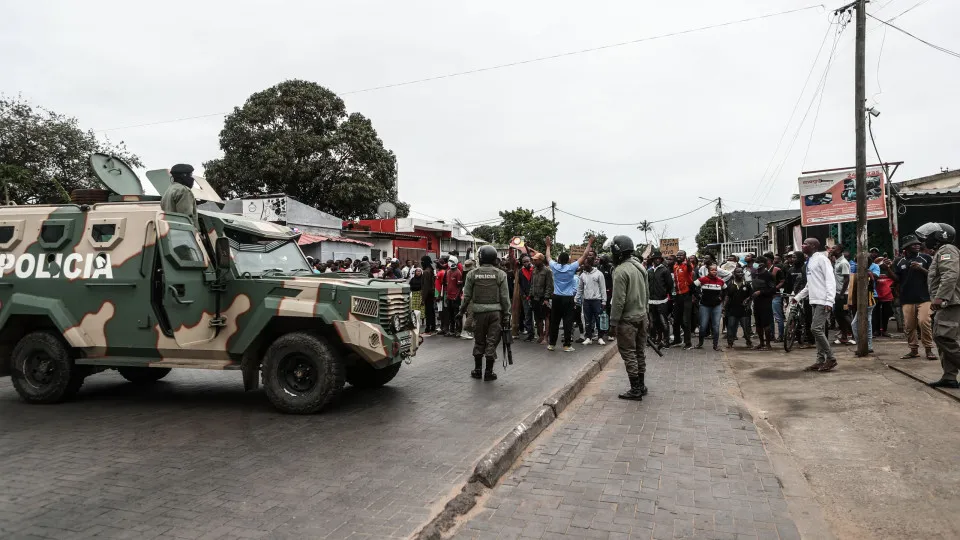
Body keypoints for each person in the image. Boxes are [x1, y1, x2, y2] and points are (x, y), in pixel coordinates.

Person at [916, 223, 960, 388]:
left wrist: (940, 298)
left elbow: (950, 274)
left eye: (928, 237)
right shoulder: (942, 252)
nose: (924, 241)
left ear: (939, 237)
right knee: (946, 338)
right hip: (947, 303)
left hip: (950, 302)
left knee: (943, 337)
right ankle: (949, 377)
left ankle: (950, 375)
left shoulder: (947, 249)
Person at [459, 245, 511, 381]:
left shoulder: (472, 274)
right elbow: (505, 298)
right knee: (492, 342)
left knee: (479, 341)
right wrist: (507, 314)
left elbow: (467, 296)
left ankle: (477, 371)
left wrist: (461, 311)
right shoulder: (500, 274)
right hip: (495, 314)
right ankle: (489, 372)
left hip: (478, 313)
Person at [607, 235, 649, 401]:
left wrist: (613, 323)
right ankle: (642, 386)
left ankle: (635, 389)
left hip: (627, 320)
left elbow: (618, 301)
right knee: (640, 352)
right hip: (642, 316)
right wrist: (647, 313)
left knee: (629, 354)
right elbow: (647, 294)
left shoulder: (620, 271)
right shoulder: (640, 267)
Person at [793, 238, 838, 372]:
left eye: (806, 244)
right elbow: (810, 284)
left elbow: (830, 280)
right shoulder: (810, 261)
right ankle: (820, 361)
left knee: (815, 329)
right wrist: (798, 297)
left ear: (813, 246)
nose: (803, 245)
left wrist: (830, 301)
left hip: (823, 301)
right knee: (818, 331)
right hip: (814, 300)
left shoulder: (822, 259)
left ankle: (831, 358)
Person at [544, 236, 594, 352]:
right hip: (568, 298)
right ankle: (567, 345)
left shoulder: (554, 267)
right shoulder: (572, 267)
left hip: (556, 297)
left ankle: (551, 344)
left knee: (554, 322)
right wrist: (589, 243)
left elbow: (547, 256)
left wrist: (548, 245)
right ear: (568, 260)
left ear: (558, 259)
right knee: (568, 321)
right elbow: (585, 255)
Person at [893, 235, 936, 359]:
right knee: (909, 326)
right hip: (907, 298)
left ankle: (928, 349)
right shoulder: (899, 261)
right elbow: (897, 279)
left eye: (918, 244)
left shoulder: (926, 258)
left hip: (925, 297)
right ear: (906, 247)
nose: (917, 245)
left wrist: (920, 268)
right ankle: (913, 350)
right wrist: (887, 269)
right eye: (914, 244)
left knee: (924, 322)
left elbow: (933, 276)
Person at [693, 264, 726, 351]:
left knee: (716, 326)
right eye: (712, 270)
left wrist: (721, 297)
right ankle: (700, 343)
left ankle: (715, 345)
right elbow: (693, 287)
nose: (714, 271)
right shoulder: (702, 279)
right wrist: (699, 296)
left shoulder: (720, 281)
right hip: (705, 306)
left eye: (715, 270)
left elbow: (726, 290)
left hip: (717, 306)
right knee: (703, 326)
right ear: (708, 271)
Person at [577, 254, 606, 346]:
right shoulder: (582, 275)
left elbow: (603, 288)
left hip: (596, 301)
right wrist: (576, 298)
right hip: (586, 301)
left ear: (590, 264)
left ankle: (600, 337)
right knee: (587, 320)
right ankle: (588, 337)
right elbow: (580, 289)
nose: (583, 266)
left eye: (585, 264)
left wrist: (604, 301)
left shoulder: (599, 274)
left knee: (598, 320)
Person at [160, 164, 199, 229]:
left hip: (171, 231)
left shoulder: (169, 190)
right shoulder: (184, 191)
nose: (192, 178)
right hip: (183, 233)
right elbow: (186, 218)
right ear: (184, 176)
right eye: (190, 175)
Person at [847, 268, 877, 354]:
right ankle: (864, 345)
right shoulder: (862, 274)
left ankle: (866, 345)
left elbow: (869, 287)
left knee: (863, 324)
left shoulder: (867, 275)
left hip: (868, 303)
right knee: (863, 324)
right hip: (865, 303)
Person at [647, 251, 673, 348]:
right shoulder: (649, 271)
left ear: (661, 260)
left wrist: (669, 297)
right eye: (655, 258)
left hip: (662, 301)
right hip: (651, 301)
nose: (657, 260)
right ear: (653, 260)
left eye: (659, 258)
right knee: (652, 322)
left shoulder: (664, 270)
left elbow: (670, 285)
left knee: (663, 322)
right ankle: (654, 339)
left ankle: (666, 340)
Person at [671, 250, 695, 349]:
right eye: (678, 255)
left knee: (686, 321)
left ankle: (688, 343)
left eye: (681, 255)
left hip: (687, 296)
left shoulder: (687, 265)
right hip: (678, 296)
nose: (679, 256)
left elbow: (690, 268)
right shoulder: (675, 266)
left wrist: (688, 262)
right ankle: (677, 340)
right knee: (675, 320)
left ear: (685, 256)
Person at [751, 256, 776, 350]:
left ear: (764, 264)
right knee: (758, 324)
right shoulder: (755, 274)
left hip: (766, 302)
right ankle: (761, 343)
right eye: (756, 262)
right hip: (756, 302)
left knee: (766, 324)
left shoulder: (769, 275)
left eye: (759, 262)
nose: (756, 263)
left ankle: (768, 344)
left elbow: (773, 289)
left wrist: (761, 292)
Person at [528, 253, 554, 344]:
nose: (534, 261)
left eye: (536, 260)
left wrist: (546, 298)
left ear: (541, 260)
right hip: (535, 298)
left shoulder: (547, 271)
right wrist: (530, 296)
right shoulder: (534, 270)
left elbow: (549, 286)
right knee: (538, 318)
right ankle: (541, 335)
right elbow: (532, 284)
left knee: (546, 317)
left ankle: (546, 337)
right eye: (534, 260)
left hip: (544, 298)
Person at [832, 244, 855, 345]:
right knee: (838, 315)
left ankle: (854, 336)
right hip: (837, 292)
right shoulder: (837, 261)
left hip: (843, 294)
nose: (832, 249)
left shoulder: (844, 263)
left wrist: (841, 294)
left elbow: (846, 279)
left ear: (839, 250)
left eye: (834, 248)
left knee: (844, 315)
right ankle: (844, 336)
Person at [725, 267, 753, 348]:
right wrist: (724, 307)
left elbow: (751, 296)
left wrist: (748, 301)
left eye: (741, 272)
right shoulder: (730, 284)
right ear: (734, 274)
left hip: (744, 310)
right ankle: (730, 343)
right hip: (732, 309)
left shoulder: (746, 284)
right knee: (731, 326)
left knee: (746, 327)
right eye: (738, 272)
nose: (740, 274)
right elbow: (727, 296)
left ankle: (749, 342)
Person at [874, 257, 895, 338]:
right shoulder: (875, 269)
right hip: (876, 294)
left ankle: (884, 330)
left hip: (887, 295)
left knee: (886, 314)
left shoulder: (889, 269)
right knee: (876, 313)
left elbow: (894, 278)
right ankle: (877, 330)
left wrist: (888, 267)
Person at [445, 256, 464, 337]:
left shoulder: (458, 273)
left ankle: (458, 331)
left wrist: (456, 296)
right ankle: (451, 330)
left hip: (455, 298)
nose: (449, 262)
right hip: (449, 297)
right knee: (450, 315)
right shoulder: (448, 272)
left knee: (457, 315)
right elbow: (448, 285)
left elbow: (460, 286)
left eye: (451, 261)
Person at [420, 256, 437, 335]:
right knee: (432, 311)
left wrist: (423, 299)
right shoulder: (431, 270)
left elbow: (425, 286)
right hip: (431, 294)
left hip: (428, 295)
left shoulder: (426, 272)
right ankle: (432, 327)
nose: (421, 263)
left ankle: (428, 328)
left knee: (428, 312)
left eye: (422, 261)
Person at [519, 255, 534, 338]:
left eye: (528, 261)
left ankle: (540, 334)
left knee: (537, 316)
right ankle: (530, 334)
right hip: (525, 296)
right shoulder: (521, 271)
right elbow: (520, 284)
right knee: (527, 316)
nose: (526, 263)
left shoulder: (534, 270)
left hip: (535, 296)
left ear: (530, 261)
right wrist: (523, 294)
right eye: (524, 262)